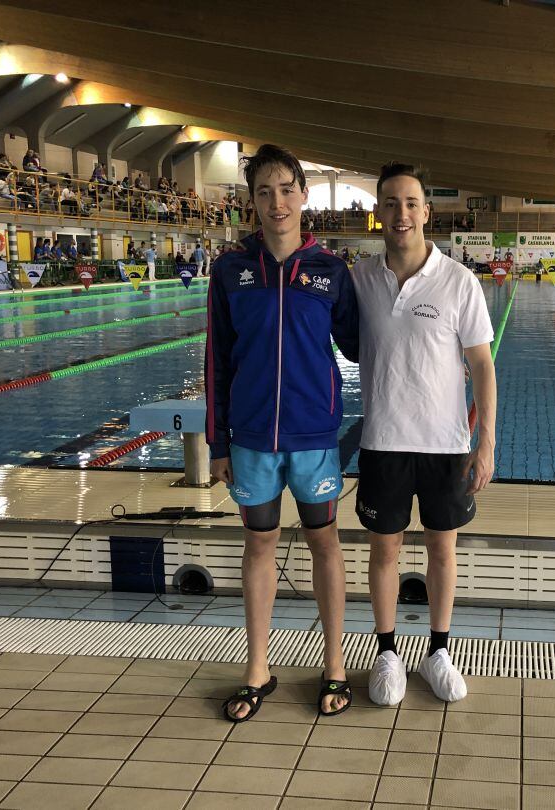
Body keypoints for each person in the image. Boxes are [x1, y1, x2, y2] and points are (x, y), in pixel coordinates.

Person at [206, 144, 359, 721]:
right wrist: (217, 443)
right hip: (249, 439)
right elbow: (217, 359)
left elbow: (362, 347)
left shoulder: (328, 270)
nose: (277, 201)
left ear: (304, 195)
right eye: (264, 191)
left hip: (314, 437)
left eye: (286, 189)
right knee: (260, 544)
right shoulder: (231, 270)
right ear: (252, 201)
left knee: (325, 543)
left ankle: (336, 664)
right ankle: (257, 669)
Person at [352, 162, 496, 707]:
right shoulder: (361, 278)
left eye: (410, 202)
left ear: (426, 212)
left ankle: (439, 651)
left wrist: (485, 442)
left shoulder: (459, 281)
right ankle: (387, 653)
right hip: (384, 440)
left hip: (445, 444)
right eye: (390, 203)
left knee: (442, 550)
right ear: (379, 213)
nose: (401, 212)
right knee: (384, 551)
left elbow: (482, 366)